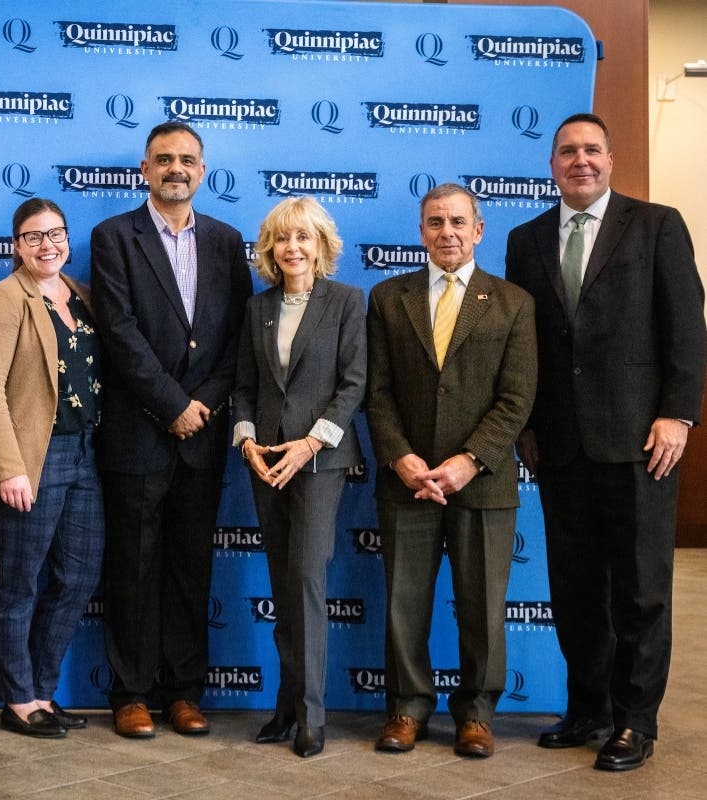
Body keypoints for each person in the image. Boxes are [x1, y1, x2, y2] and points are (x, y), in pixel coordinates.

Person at [506, 113, 705, 771]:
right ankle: (587, 708)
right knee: (574, 589)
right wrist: (527, 421)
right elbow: (524, 345)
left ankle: (634, 721)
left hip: (640, 442)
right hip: (558, 446)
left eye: (591, 148)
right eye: (567, 151)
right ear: (552, 164)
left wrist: (677, 414)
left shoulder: (656, 225)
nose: (579, 160)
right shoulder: (524, 239)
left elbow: (685, 327)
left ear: (610, 158)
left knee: (641, 590)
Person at [90, 121, 252, 737]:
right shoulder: (113, 237)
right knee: (131, 569)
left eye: (187, 159)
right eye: (164, 159)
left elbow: (238, 336)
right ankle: (131, 693)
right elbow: (120, 332)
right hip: (138, 435)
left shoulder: (226, 239)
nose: (175, 169)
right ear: (145, 169)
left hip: (202, 436)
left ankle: (184, 692)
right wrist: (171, 404)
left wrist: (201, 404)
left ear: (203, 171)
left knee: (191, 568)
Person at [367, 183, 536, 759]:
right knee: (403, 602)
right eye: (435, 222)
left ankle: (477, 713)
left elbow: (517, 399)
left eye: (459, 222)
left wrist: (468, 461)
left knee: (483, 606)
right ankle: (408, 708)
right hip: (407, 480)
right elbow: (377, 391)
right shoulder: (389, 298)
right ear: (421, 231)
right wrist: (401, 458)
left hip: (482, 482)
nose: (447, 233)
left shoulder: (513, 302)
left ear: (479, 230)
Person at [0, 198, 103, 739]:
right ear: (17, 245)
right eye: (34, 236)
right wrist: (9, 469)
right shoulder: (3, 298)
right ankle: (17, 698)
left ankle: (43, 689)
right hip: (27, 459)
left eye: (56, 234)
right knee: (18, 584)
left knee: (79, 576)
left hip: (84, 452)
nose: (48, 245)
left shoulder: (82, 295)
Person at [231, 197, 366, 758]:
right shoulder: (257, 307)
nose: (293, 248)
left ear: (321, 246)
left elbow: (354, 384)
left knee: (307, 579)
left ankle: (312, 716)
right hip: (266, 462)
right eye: (283, 239)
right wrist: (244, 440)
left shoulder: (346, 302)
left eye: (304, 238)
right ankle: (286, 707)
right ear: (270, 249)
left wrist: (311, 442)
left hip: (318, 462)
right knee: (284, 586)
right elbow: (241, 386)